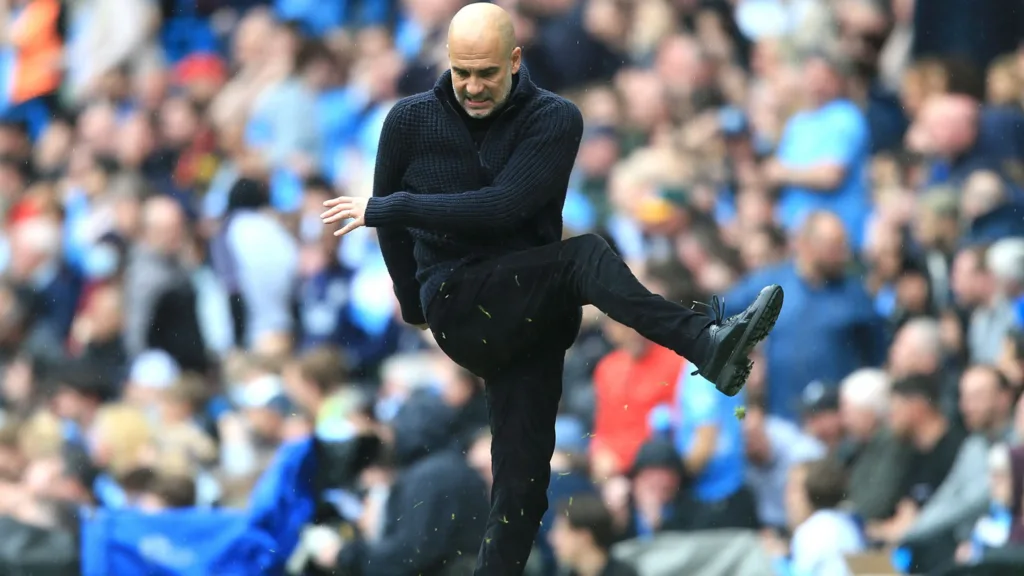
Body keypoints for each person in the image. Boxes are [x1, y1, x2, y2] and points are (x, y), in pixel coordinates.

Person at [320, 3, 784, 573]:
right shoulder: (408, 121)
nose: (472, 86)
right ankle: (706, 344)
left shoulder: (555, 118)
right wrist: (413, 302)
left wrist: (387, 207)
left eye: (487, 72)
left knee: (523, 488)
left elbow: (502, 206)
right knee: (583, 255)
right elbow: (394, 238)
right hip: (460, 302)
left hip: (528, 310)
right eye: (462, 71)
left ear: (515, 60)